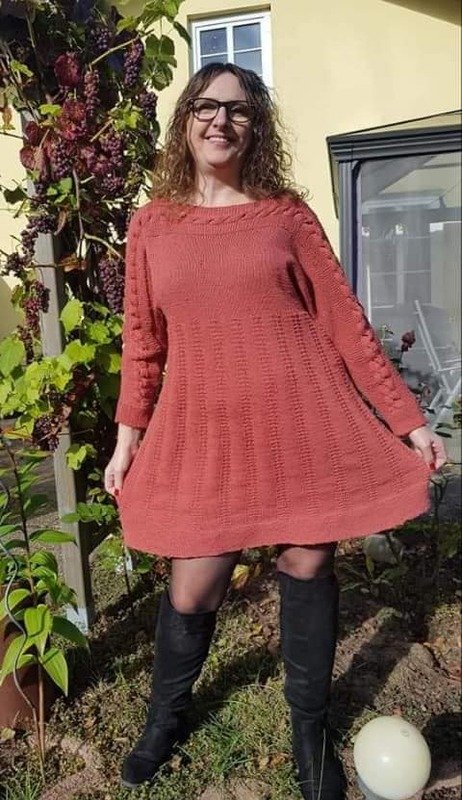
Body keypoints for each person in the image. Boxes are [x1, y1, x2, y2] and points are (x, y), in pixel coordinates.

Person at [104, 63, 447, 798]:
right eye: (205, 107)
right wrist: (129, 436)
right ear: (184, 121)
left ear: (255, 127)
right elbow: (143, 342)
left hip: (303, 426)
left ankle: (308, 732)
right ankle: (166, 717)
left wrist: (409, 422)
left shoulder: (286, 217)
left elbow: (346, 325)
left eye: (237, 110)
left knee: (306, 568)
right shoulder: (152, 225)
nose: (219, 121)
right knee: (192, 589)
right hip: (204, 434)